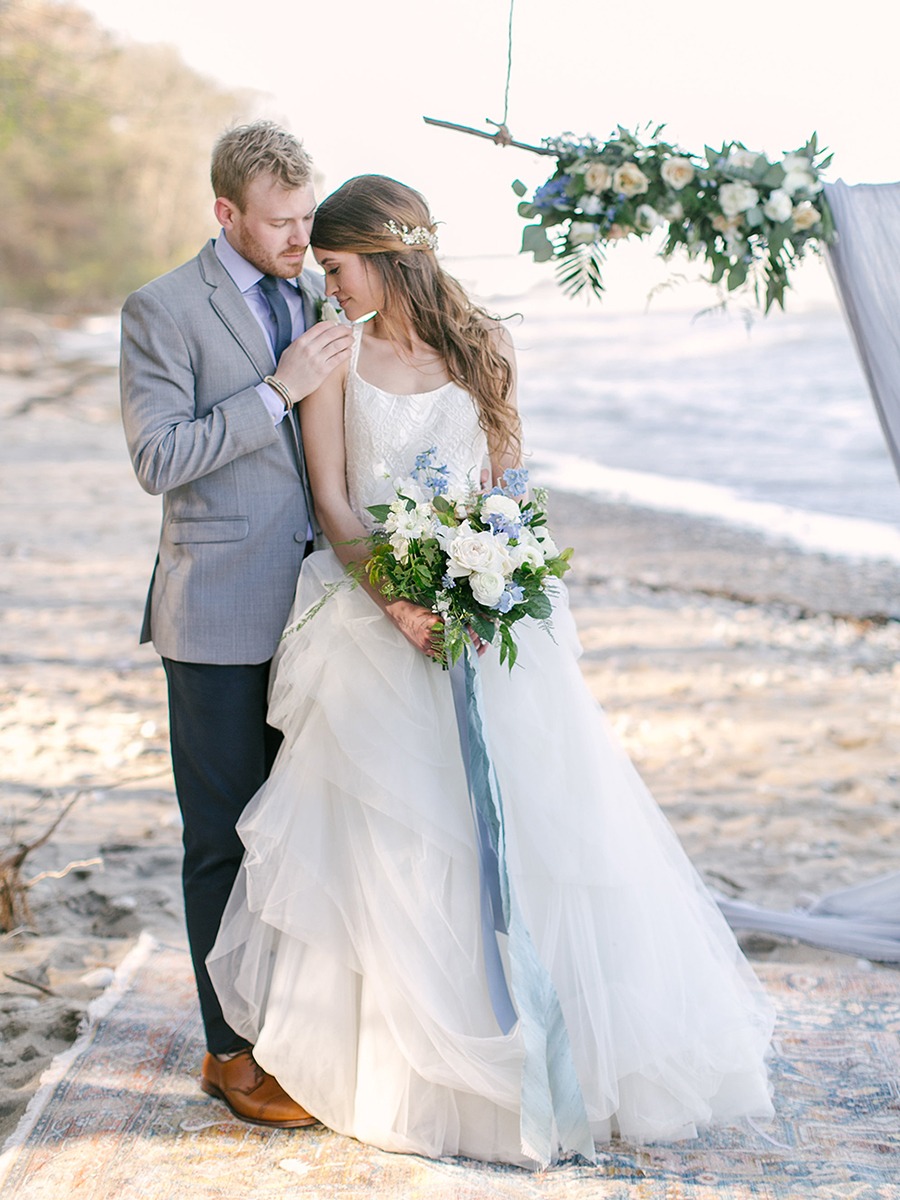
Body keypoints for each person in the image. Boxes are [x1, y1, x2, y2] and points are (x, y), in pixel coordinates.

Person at [207, 174, 775, 1167]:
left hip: (489, 613)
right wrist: (399, 602)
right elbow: (337, 505)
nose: (327, 287)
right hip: (369, 612)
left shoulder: (489, 347)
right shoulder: (334, 356)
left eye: (336, 268)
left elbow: (512, 490)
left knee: (536, 829)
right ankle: (401, 1064)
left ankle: (549, 1049)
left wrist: (493, 583)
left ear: (384, 256)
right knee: (391, 834)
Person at [119, 121, 353, 1127]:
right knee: (222, 840)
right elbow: (158, 460)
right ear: (226, 214)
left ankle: (298, 1032)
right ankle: (230, 1053)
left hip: (319, 614)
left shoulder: (317, 288)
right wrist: (276, 391)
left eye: (308, 218)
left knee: (302, 835)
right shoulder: (161, 309)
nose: (301, 238)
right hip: (215, 613)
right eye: (280, 223)